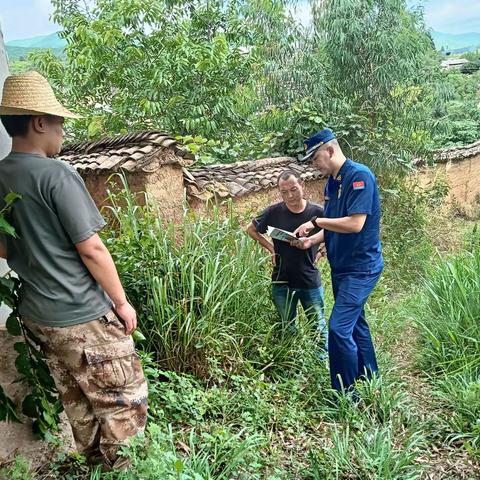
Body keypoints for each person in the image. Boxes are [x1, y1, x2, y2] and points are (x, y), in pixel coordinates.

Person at [0, 71, 147, 470]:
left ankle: (96, 468)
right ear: (38, 122)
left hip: (39, 317)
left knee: (79, 405)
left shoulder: (1, 175)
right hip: (83, 314)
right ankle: (128, 472)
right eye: (60, 121)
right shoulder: (56, 174)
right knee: (122, 406)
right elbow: (93, 249)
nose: (63, 131)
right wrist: (121, 302)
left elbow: (2, 245)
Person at [293, 128, 383, 393]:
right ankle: (369, 378)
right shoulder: (332, 182)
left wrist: (316, 221)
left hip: (361, 268)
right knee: (355, 323)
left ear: (330, 151)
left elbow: (355, 224)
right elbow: (334, 226)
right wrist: (314, 239)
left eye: (315, 158)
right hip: (341, 267)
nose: (313, 164)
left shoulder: (359, 177)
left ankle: (346, 392)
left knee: (338, 328)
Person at [246, 170, 328, 353]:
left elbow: (335, 234)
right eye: (284, 192)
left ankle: (321, 364)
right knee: (287, 327)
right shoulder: (273, 212)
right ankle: (291, 362)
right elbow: (251, 230)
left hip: (309, 279)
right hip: (281, 280)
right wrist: (271, 248)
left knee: (318, 326)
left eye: (294, 190)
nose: (289, 196)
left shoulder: (318, 212)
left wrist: (322, 251)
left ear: (302, 186)